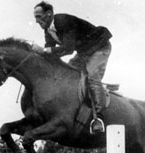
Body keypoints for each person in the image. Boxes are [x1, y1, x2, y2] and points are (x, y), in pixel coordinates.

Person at [32, 1, 112, 134]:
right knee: (67, 73)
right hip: (85, 52)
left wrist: (43, 51)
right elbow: (50, 52)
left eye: (39, 17)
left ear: (49, 14)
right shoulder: (48, 29)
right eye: (35, 18)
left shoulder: (63, 20)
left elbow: (68, 49)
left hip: (100, 47)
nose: (36, 21)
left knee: (92, 74)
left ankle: (99, 118)